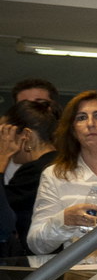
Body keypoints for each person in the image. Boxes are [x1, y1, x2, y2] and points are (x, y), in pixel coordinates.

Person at [28, 90, 97, 268]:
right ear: (73, 129)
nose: (90, 124)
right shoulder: (56, 175)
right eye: (81, 118)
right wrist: (64, 220)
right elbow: (37, 245)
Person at [2, 100, 57, 248]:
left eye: (5, 134)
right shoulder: (59, 162)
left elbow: (3, 215)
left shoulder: (36, 171)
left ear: (26, 135)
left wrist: (1, 158)